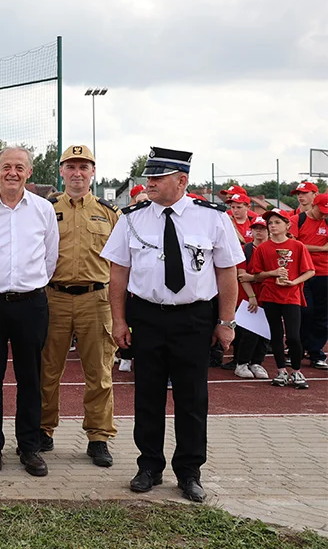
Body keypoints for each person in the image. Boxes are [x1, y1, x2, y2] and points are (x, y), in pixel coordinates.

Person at [102, 147, 243, 503]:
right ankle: (148, 465)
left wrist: (226, 322)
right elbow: (118, 272)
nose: (149, 183)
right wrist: (118, 320)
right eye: (148, 177)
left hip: (193, 318)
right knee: (147, 394)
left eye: (157, 177)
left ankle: (189, 471)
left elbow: (228, 272)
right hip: (146, 316)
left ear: (181, 181)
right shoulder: (132, 218)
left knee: (192, 397)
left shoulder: (212, 218)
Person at [0, 146, 59, 477]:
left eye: (19, 167)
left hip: (31, 303)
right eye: (6, 166)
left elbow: (50, 257)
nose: (12, 173)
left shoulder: (44, 210)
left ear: (29, 172)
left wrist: (29, 285)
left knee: (30, 378)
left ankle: (29, 447)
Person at [40, 145, 119, 468]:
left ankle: (98, 437)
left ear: (92, 172)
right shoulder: (46, 209)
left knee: (99, 372)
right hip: (53, 297)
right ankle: (43, 430)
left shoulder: (109, 212)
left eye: (83, 167)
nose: (77, 173)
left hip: (96, 299)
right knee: (47, 369)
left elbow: (121, 262)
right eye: (70, 167)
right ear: (61, 172)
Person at [251, 210, 315, 389]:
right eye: (270, 223)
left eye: (277, 222)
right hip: (270, 295)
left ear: (287, 225)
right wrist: (273, 273)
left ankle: (296, 370)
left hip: (291, 296)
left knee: (294, 336)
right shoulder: (263, 248)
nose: (272, 226)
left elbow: (310, 271)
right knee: (276, 335)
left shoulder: (297, 246)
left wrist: (293, 282)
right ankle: (281, 371)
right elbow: (256, 275)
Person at [292, 188, 327, 370]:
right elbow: (295, 246)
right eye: (321, 210)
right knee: (305, 312)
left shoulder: (326, 221)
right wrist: (321, 248)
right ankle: (297, 349)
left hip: (324, 274)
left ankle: (316, 352)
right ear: (314, 205)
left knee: (322, 315)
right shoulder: (298, 220)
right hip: (303, 273)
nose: (324, 215)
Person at [232, 216, 270, 379]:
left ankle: (257, 362)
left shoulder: (273, 249)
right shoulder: (245, 249)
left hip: (269, 295)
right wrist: (252, 295)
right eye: (256, 228)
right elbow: (241, 275)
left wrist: (254, 277)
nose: (259, 231)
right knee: (249, 333)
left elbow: (274, 275)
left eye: (262, 228)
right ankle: (242, 363)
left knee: (265, 333)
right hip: (248, 297)